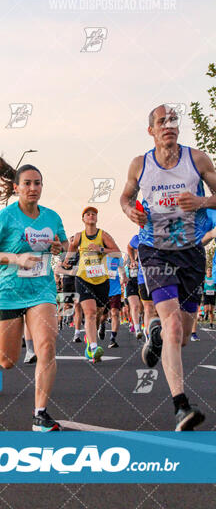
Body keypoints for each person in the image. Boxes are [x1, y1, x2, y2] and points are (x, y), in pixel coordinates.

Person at [120, 103, 216, 430]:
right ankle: (181, 407)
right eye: (162, 121)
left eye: (173, 120)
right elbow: (125, 198)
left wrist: (202, 201)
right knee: (174, 325)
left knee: (184, 335)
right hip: (155, 250)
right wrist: (131, 212)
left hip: (191, 251)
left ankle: (156, 336)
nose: (169, 125)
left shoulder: (197, 159)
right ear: (151, 130)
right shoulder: (140, 164)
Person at [0, 152, 68, 431]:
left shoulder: (52, 217)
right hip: (7, 292)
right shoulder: (4, 218)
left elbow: (63, 244)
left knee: (46, 347)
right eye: (27, 183)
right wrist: (16, 258)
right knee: (7, 361)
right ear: (16, 187)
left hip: (41, 291)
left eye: (37, 183)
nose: (33, 188)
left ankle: (40, 414)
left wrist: (58, 248)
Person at [63, 207, 120, 363]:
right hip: (83, 278)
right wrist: (67, 260)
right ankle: (94, 347)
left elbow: (117, 252)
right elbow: (72, 247)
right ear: (83, 219)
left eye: (93, 214)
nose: (91, 216)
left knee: (99, 313)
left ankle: (90, 339)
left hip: (101, 279)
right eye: (88, 214)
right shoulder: (79, 236)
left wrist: (100, 249)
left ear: (96, 218)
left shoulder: (103, 235)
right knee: (90, 312)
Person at [128, 234, 157, 339]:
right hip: (143, 278)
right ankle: (149, 336)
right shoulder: (137, 238)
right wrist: (132, 260)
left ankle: (157, 331)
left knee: (158, 309)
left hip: (161, 277)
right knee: (148, 307)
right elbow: (129, 246)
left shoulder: (163, 235)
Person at [105, 251, 127, 348]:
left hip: (115, 290)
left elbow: (122, 271)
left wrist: (123, 278)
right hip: (103, 289)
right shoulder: (100, 256)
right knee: (102, 315)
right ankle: (101, 325)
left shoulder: (117, 258)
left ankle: (112, 338)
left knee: (115, 313)